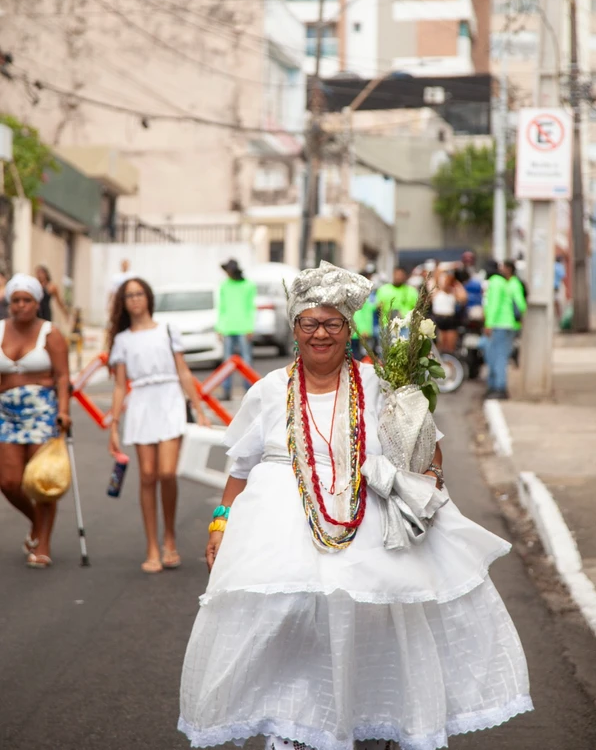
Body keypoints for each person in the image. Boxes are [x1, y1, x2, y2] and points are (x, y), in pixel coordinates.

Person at [179, 260, 532, 750]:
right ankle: (296, 726)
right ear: (294, 328)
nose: (320, 333)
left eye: (332, 323)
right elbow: (239, 468)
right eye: (309, 323)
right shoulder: (268, 391)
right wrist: (220, 524)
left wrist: (425, 479)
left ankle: (371, 720)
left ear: (349, 329)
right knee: (287, 624)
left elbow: (427, 450)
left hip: (368, 523)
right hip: (277, 530)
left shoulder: (380, 384)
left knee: (368, 625)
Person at [108, 277, 211, 574]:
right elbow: (119, 386)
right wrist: (114, 424)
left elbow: (183, 371)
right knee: (147, 476)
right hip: (141, 402)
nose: (135, 299)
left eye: (139, 293)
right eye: (129, 295)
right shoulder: (123, 340)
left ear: (148, 297)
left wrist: (199, 410)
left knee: (167, 472)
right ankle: (153, 546)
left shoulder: (167, 329)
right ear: (123, 302)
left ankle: (170, 537)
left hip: (169, 400)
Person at [0, 274, 71, 568]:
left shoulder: (50, 333)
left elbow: (63, 377)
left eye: (26, 300)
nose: (21, 305)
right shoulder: (0, 330)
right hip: (6, 413)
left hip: (42, 411)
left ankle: (43, 543)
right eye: (15, 300)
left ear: (37, 303)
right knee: (9, 482)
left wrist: (64, 410)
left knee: (41, 480)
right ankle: (35, 522)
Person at [216, 259, 256, 402]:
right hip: (228, 327)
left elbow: (251, 307)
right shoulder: (224, 286)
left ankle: (249, 390)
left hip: (243, 327)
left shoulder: (248, 285)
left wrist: (250, 327)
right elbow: (221, 308)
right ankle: (226, 390)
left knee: (246, 361)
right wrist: (219, 328)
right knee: (227, 362)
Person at [484, 262, 518, 399]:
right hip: (506, 324)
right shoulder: (502, 281)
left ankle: (500, 388)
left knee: (498, 357)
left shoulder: (495, 282)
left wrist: (489, 324)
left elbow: (493, 305)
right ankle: (495, 386)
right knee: (497, 356)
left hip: (500, 325)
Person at [430, 270, 467, 353]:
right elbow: (436, 273)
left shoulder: (453, 292)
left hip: (450, 320)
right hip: (438, 320)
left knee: (450, 348)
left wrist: (456, 283)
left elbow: (464, 298)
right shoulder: (436, 292)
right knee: (440, 347)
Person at [350, 271, 376, 360]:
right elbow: (359, 315)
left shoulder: (367, 295)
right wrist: (363, 330)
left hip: (360, 333)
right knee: (357, 358)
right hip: (358, 333)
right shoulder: (359, 296)